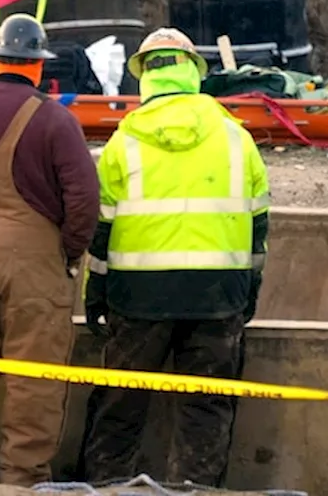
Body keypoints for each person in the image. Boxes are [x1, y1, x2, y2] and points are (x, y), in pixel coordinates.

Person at [79, 28, 270, 488]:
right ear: (194, 73)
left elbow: (100, 232)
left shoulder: (123, 142)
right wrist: (248, 293)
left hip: (138, 297)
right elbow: (258, 228)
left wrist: (96, 292)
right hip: (217, 296)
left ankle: (107, 488)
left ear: (144, 76)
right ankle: (196, 492)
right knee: (206, 411)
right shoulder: (235, 139)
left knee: (120, 407)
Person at [0, 13, 101, 486]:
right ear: (37, 67)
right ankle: (22, 481)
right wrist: (67, 253)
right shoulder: (54, 118)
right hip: (34, 264)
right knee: (34, 379)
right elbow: (83, 199)